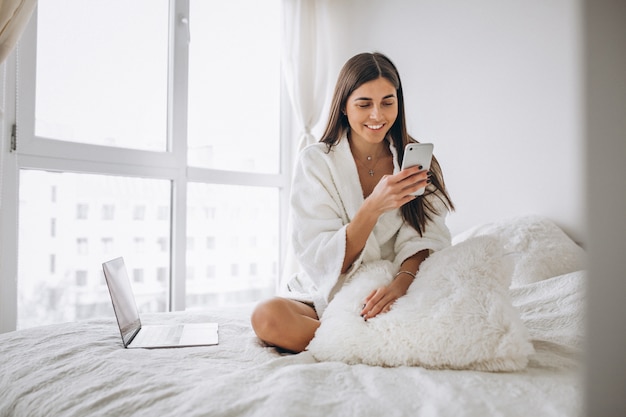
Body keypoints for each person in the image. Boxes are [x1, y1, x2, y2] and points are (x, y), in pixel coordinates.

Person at [251, 52, 455, 353]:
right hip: (333, 291)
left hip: (399, 287)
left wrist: (399, 285)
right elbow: (323, 256)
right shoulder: (316, 162)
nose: (377, 115)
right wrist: (373, 207)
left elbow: (427, 239)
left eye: (388, 102)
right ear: (344, 106)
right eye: (364, 104)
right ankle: (373, 345)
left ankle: (356, 343)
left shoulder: (417, 162)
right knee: (267, 317)